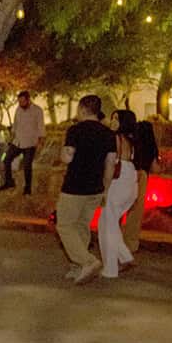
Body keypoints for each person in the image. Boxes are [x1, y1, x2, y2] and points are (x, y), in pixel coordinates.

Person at [56, 95, 116, 284]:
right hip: (96, 187)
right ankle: (78, 267)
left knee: (64, 225)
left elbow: (67, 158)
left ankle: (87, 261)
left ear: (82, 109)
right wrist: (105, 189)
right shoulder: (108, 134)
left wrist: (62, 150)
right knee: (81, 226)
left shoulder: (75, 130)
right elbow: (110, 164)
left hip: (75, 186)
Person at [99, 109, 139, 279]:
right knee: (108, 222)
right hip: (130, 179)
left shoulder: (115, 138)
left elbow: (111, 162)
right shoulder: (131, 141)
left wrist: (105, 188)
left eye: (117, 118)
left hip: (119, 179)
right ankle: (124, 257)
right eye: (112, 117)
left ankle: (111, 268)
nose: (113, 121)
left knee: (107, 223)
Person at [0, 90, 44, 195]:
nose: (20, 104)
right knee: (6, 159)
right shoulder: (18, 109)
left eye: (23, 101)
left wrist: (40, 142)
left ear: (28, 100)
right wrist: (11, 138)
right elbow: (15, 125)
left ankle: (27, 188)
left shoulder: (37, 110)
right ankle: (9, 182)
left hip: (30, 143)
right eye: (19, 102)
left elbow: (41, 127)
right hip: (17, 142)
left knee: (27, 166)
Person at [123, 120, 159, 254]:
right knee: (135, 212)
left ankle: (116, 238)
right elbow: (155, 168)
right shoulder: (151, 145)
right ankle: (130, 244)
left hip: (128, 173)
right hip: (141, 175)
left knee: (121, 208)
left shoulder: (130, 142)